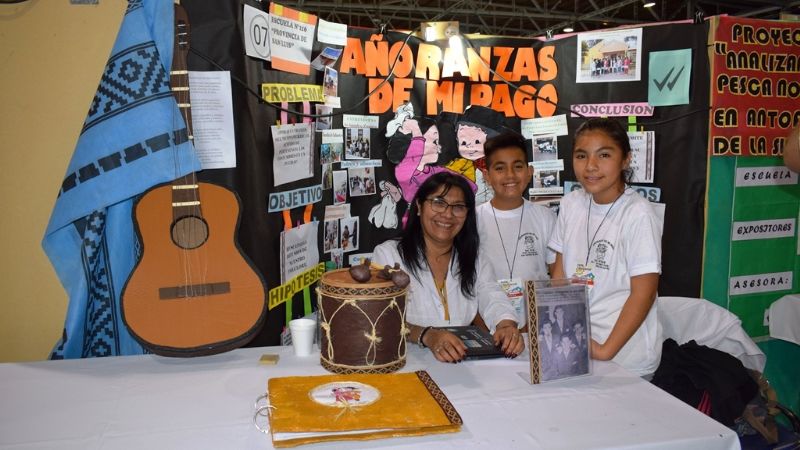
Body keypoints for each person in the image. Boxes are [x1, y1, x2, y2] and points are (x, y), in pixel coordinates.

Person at [548, 118, 662, 377]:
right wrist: (564, 332)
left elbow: (643, 293)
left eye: (604, 155)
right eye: (581, 155)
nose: (591, 166)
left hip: (626, 358)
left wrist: (605, 350)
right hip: (577, 345)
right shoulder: (571, 204)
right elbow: (559, 276)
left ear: (626, 160)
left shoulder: (638, 214)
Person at [373, 172, 524, 363]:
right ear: (419, 206)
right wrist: (426, 335)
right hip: (405, 361)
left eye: (458, 207)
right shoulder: (389, 255)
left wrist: (506, 325)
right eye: (438, 202)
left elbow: (492, 296)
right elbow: (380, 317)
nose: (447, 214)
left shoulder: (475, 258)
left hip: (460, 363)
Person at [476, 132, 556, 325]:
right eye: (500, 168)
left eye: (517, 166)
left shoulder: (546, 217)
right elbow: (465, 283)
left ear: (529, 172)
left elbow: (557, 276)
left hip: (538, 326)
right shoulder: (473, 220)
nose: (510, 175)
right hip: (488, 326)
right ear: (487, 176)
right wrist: (484, 329)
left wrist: (538, 326)